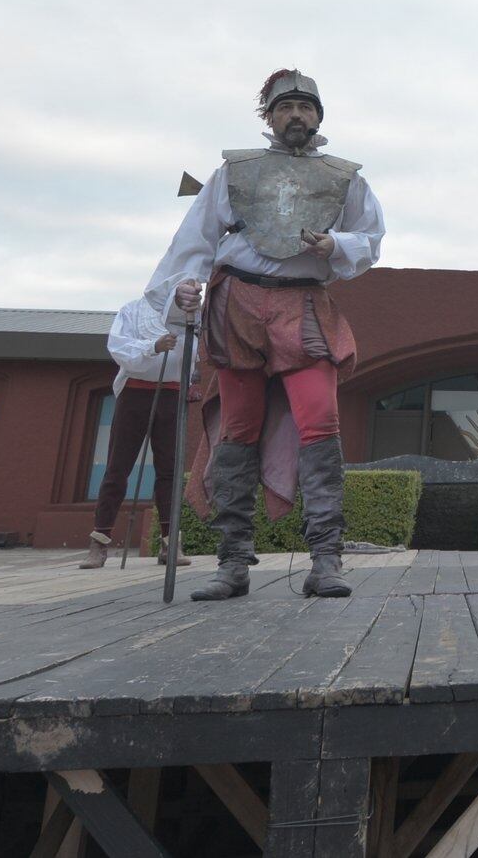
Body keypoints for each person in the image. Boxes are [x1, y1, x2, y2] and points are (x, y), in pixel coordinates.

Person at [150, 68, 386, 602]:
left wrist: (336, 246)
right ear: (270, 117)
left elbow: (370, 239)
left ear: (319, 117)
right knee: (238, 428)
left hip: (302, 303)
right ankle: (233, 563)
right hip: (236, 304)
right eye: (286, 106)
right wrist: (184, 290)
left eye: (307, 107)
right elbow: (194, 241)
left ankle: (326, 561)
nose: (297, 114)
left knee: (320, 424)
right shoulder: (233, 172)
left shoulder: (345, 177)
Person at [78, 280, 190, 570]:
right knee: (118, 466)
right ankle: (99, 542)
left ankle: (170, 542)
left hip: (172, 392)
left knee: (169, 470)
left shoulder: (190, 313)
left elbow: (197, 351)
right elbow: (118, 346)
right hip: (135, 392)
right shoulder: (132, 310)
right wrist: (153, 345)